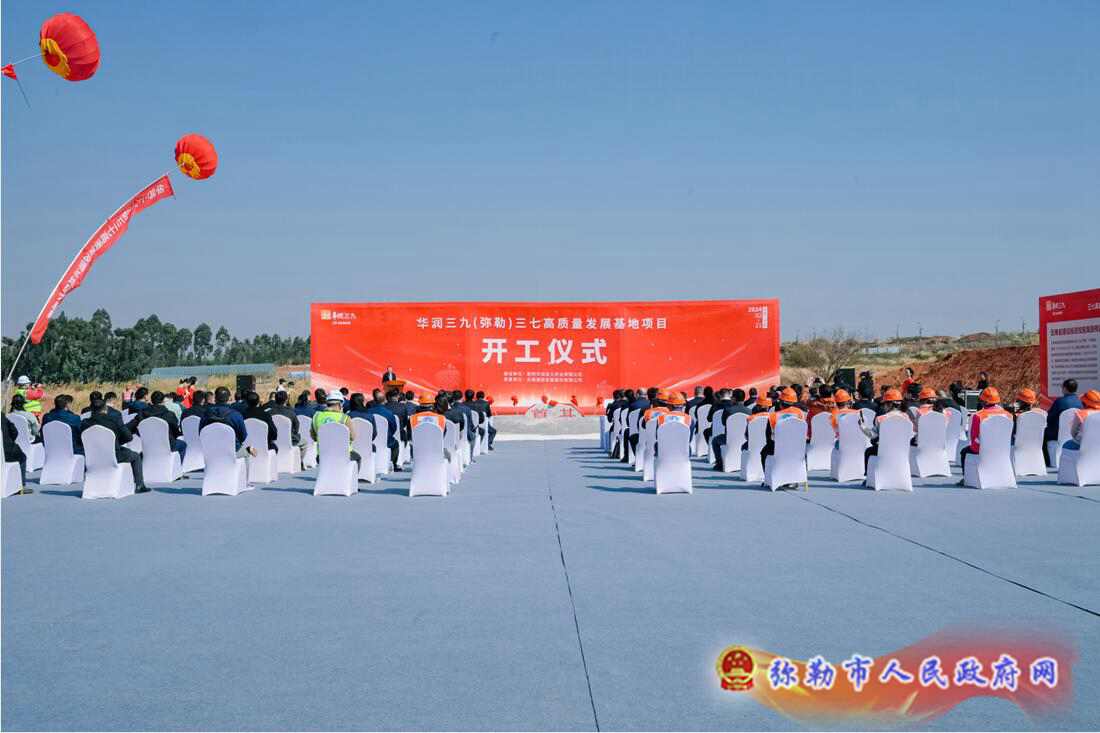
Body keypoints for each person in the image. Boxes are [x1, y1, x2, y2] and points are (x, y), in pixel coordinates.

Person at [81, 398, 148, 492]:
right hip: (114, 455)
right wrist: (116, 442)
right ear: (105, 409)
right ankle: (139, 485)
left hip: (91, 456)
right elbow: (129, 437)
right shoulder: (113, 421)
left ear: (91, 409)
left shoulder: (84, 423)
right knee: (136, 456)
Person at [957, 387, 1013, 481]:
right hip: (1003, 449)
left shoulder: (978, 416)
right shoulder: (1009, 415)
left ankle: (966, 479)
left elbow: (974, 439)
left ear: (984, 402)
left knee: (964, 452)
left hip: (983, 450)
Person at [861, 388, 911, 473]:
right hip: (902, 450)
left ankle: (867, 475)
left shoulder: (880, 419)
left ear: (889, 404)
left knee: (868, 452)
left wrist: (862, 427)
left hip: (885, 451)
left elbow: (872, 435)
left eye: (884, 404)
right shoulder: (906, 417)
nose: (883, 406)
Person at [310, 391, 361, 468]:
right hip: (343, 455)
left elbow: (314, 437)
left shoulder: (316, 416)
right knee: (358, 458)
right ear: (340, 404)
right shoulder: (345, 418)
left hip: (322, 456)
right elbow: (352, 437)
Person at [199, 386, 251, 455]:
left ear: (215, 398)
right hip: (232, 451)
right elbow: (243, 437)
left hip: (211, 450)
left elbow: (201, 433)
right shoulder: (236, 415)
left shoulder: (206, 414)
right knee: (250, 451)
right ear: (229, 398)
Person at [761, 387, 806, 466]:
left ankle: (768, 472)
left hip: (778, 449)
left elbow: (768, 437)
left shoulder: (773, 416)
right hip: (797, 447)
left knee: (763, 452)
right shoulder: (801, 414)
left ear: (780, 403)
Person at [136, 391, 187, 459]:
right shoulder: (170, 414)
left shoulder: (141, 413)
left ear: (151, 401)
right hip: (167, 445)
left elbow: (136, 429)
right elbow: (176, 432)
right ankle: (179, 465)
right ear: (163, 401)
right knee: (183, 445)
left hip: (149, 446)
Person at [1045, 379, 1083, 465]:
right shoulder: (1080, 403)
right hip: (1075, 436)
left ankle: (1049, 463)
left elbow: (1049, 418)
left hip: (1056, 436)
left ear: (1065, 388)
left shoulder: (1059, 402)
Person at [711, 389, 750, 471]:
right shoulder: (750, 411)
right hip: (745, 439)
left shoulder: (728, 410)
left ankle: (719, 464)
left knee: (715, 441)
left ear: (734, 399)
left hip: (729, 438)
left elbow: (724, 423)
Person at [368, 391, 402, 470]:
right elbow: (394, 428)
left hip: (371, 440)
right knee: (396, 444)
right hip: (386, 440)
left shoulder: (368, 411)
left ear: (374, 400)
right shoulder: (389, 413)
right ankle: (393, 464)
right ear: (385, 400)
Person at [3, 414, 30, 491]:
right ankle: (20, 486)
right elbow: (14, 432)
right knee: (22, 457)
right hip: (7, 450)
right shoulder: (2, 417)